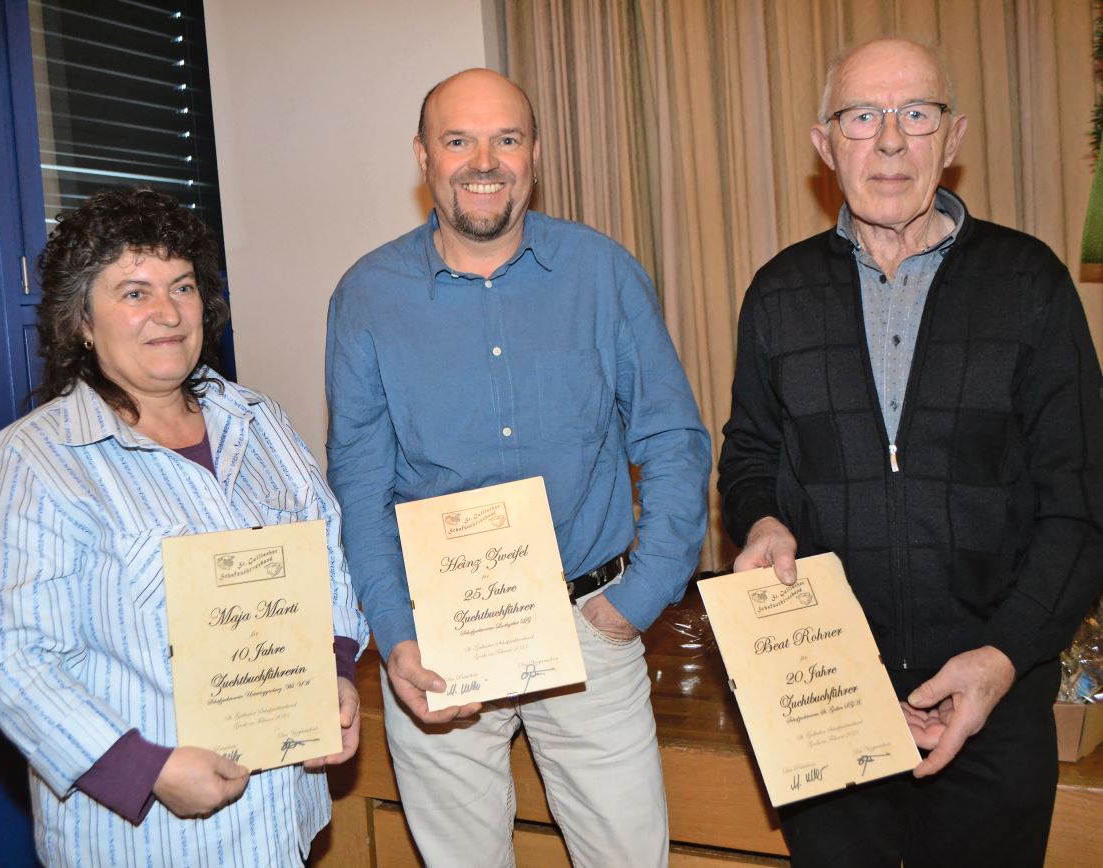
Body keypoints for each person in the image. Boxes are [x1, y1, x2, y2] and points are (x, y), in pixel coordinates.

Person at [718, 37, 1103, 867]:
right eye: (862, 117)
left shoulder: (1029, 284)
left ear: (952, 138)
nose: (890, 141)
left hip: (993, 707)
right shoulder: (778, 294)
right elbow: (748, 450)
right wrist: (762, 520)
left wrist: (1002, 659)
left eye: (915, 114)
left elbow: (1082, 505)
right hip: (827, 706)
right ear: (826, 145)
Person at [326, 68, 710, 866]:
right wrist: (394, 634)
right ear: (423, 156)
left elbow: (671, 436)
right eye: (457, 139)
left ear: (535, 152)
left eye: (506, 138)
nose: (483, 160)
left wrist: (640, 596)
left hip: (590, 625)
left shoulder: (602, 272)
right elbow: (359, 486)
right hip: (439, 639)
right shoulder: (365, 296)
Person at [0, 187, 368, 867]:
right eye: (133, 292)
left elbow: (327, 563)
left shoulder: (260, 421)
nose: (166, 313)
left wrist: (335, 674)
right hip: (146, 839)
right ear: (80, 320)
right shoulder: (35, 462)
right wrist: (144, 769)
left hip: (282, 821)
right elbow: (12, 661)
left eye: (182, 286)